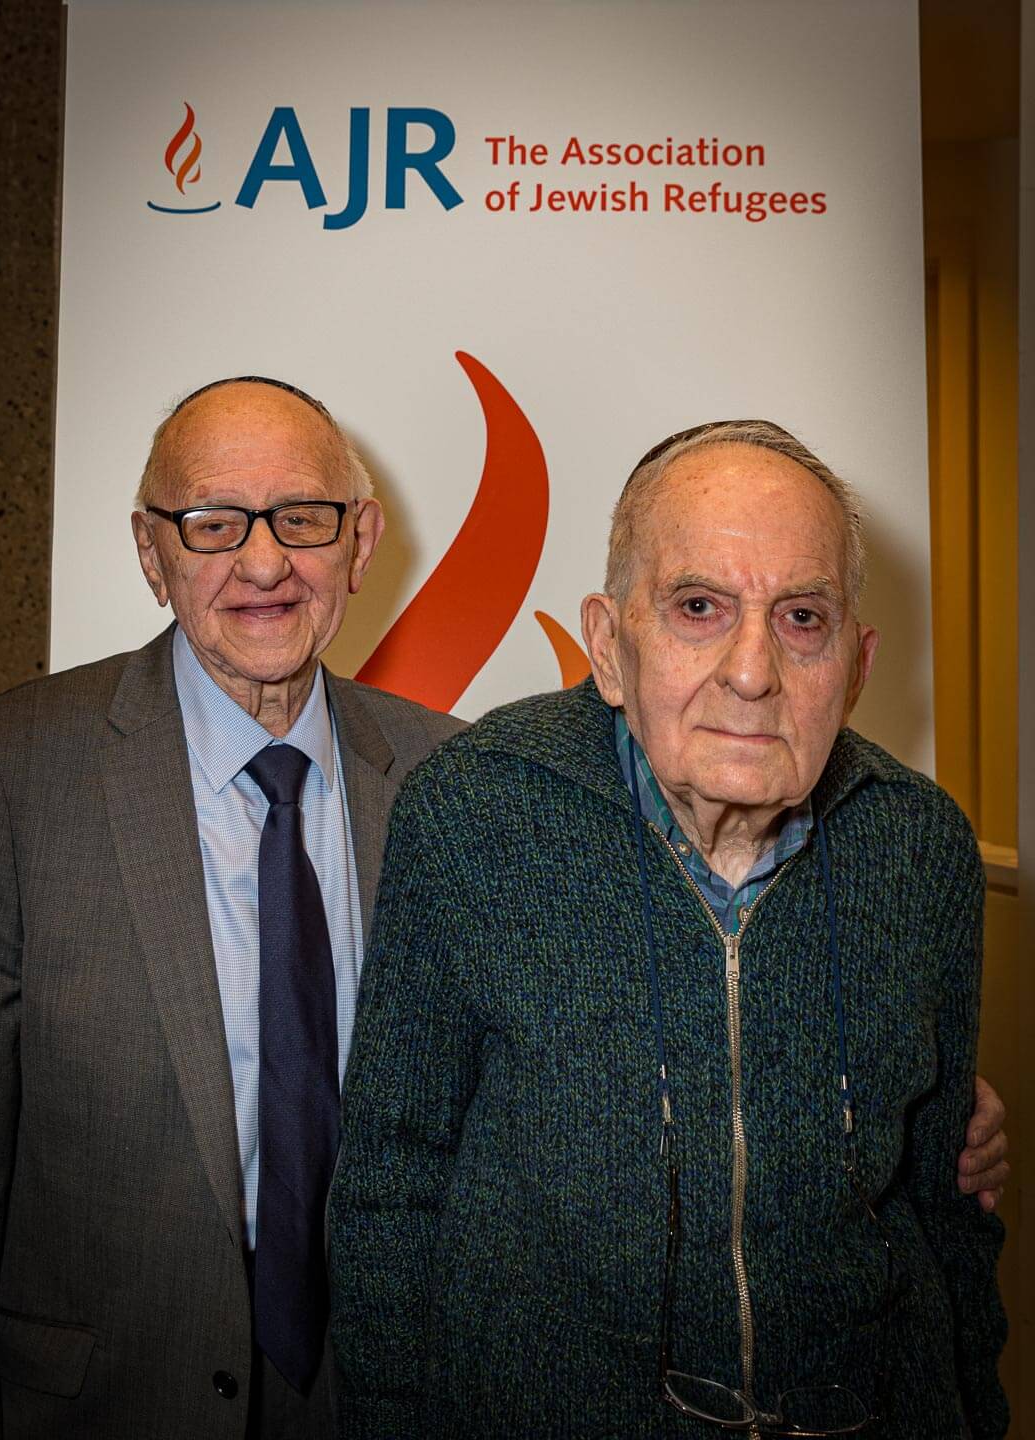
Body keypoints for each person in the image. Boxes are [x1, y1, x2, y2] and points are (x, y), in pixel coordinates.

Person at [329, 419, 1010, 1439]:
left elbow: (949, 1210)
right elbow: (391, 1185)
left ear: (857, 665)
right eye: (699, 608)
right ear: (608, 646)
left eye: (803, 618)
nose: (752, 671)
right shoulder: (473, 816)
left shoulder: (921, 846)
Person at [0, 377, 460, 1440]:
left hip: (380, 1398)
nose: (264, 563)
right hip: (105, 1401)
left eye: (302, 517)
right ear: (152, 553)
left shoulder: (451, 777)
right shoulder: (10, 771)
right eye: (212, 522)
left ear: (361, 541)